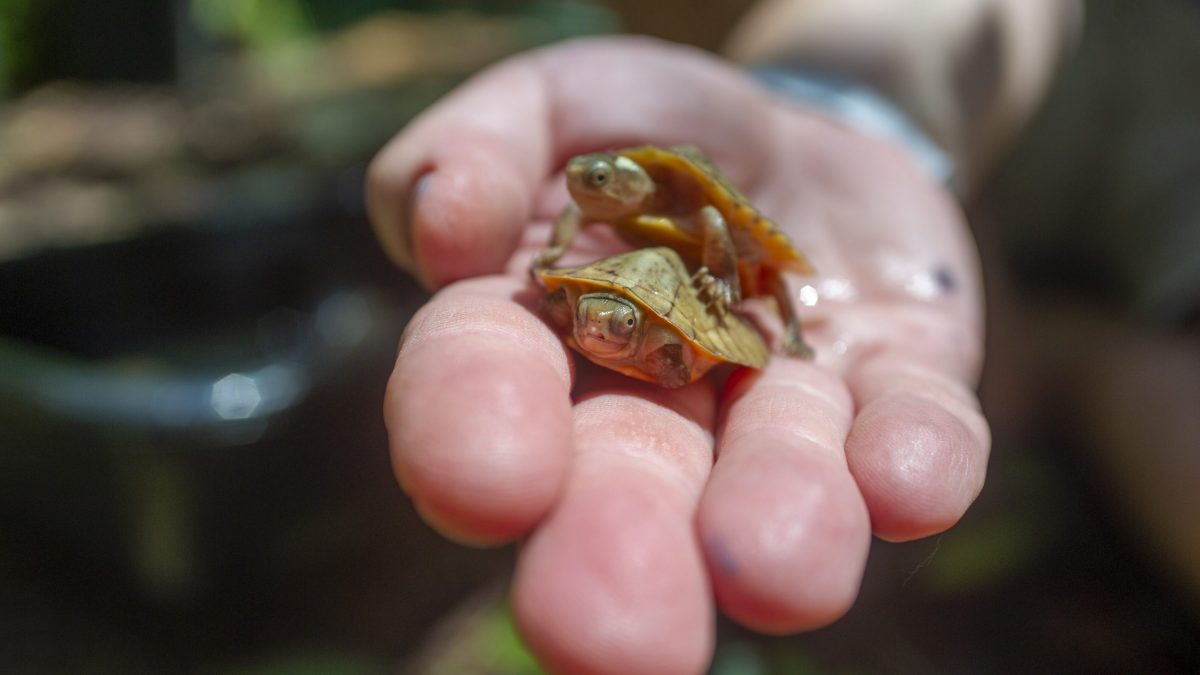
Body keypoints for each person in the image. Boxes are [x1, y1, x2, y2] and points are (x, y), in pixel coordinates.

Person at [366, 1, 1079, 672]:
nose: (590, 183)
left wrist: (716, 303)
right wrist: (559, 275)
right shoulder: (594, 207)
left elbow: (718, 232)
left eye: (605, 175)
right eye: (587, 179)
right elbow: (576, 224)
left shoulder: (682, 199)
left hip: (730, 252)